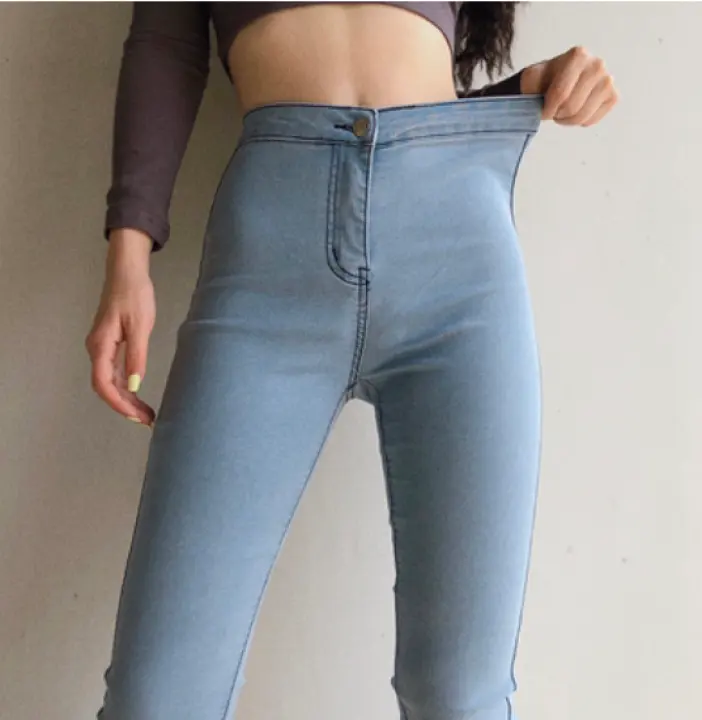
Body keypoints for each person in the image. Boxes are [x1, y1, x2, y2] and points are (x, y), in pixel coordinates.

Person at [86, 2, 618, 718]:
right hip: (268, 262)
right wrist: (129, 253)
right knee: (158, 699)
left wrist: (531, 89)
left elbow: (420, 89)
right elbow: (165, 43)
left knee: (460, 695)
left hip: (459, 261)